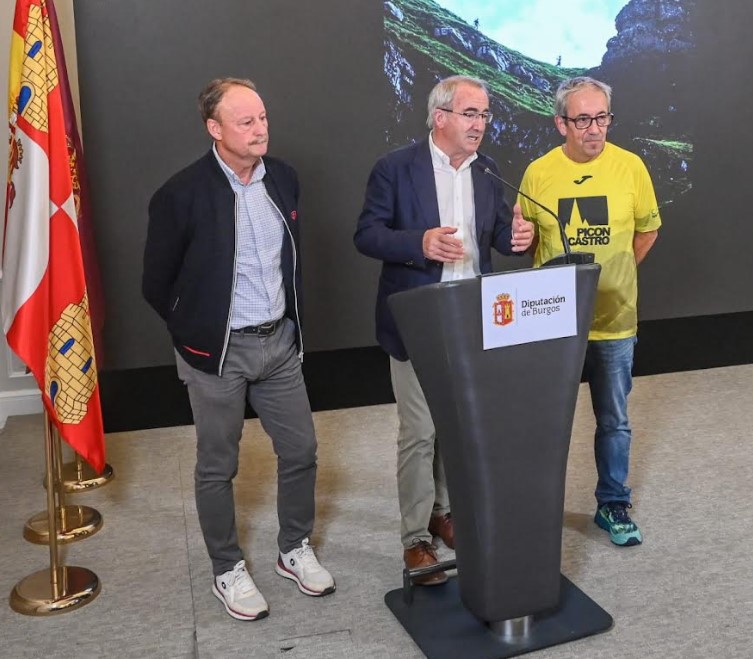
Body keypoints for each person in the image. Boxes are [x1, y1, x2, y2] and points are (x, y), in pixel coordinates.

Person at [143, 78, 335, 621]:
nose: (260, 129)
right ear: (215, 128)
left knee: (301, 450)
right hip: (217, 355)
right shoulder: (180, 194)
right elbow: (156, 284)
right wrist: (196, 333)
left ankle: (293, 548)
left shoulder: (284, 179)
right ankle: (226, 567)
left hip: (279, 345)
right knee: (217, 465)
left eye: (263, 118)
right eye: (246, 122)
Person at [355, 75, 534, 584]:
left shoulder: (488, 171)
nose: (480, 124)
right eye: (470, 113)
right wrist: (420, 243)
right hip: (417, 318)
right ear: (440, 117)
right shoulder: (395, 168)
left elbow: (496, 236)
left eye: (484, 115)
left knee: (457, 427)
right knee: (420, 432)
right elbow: (367, 234)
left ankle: (444, 512)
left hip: (472, 318)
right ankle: (415, 539)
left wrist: (518, 236)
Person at [518, 76, 661, 547]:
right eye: (582, 120)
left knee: (614, 419)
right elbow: (529, 241)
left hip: (614, 321)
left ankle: (613, 503)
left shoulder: (631, 167)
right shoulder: (538, 172)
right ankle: (537, 505)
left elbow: (647, 231)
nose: (594, 129)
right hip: (555, 322)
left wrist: (615, 274)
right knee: (546, 421)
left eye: (602, 118)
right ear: (561, 124)